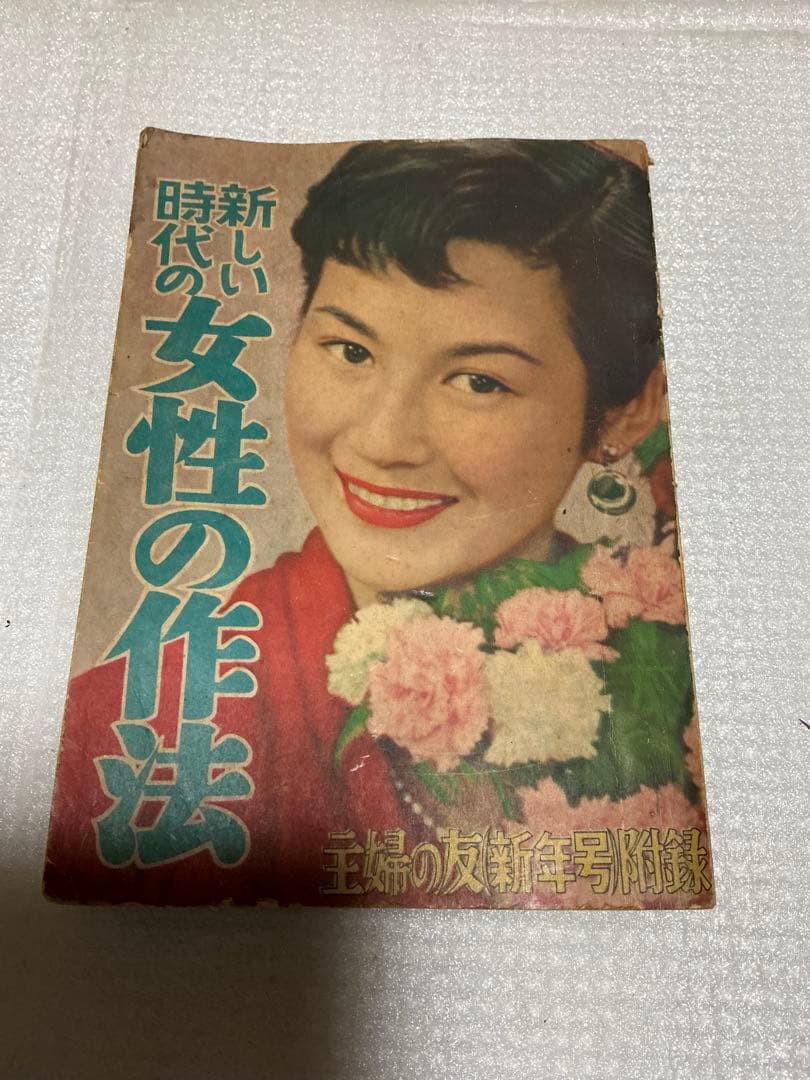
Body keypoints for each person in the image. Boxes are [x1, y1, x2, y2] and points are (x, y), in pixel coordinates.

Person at [45, 141, 709, 908]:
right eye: (350, 350)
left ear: (626, 411)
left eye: (479, 380)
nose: (383, 441)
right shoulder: (119, 731)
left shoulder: (680, 682)